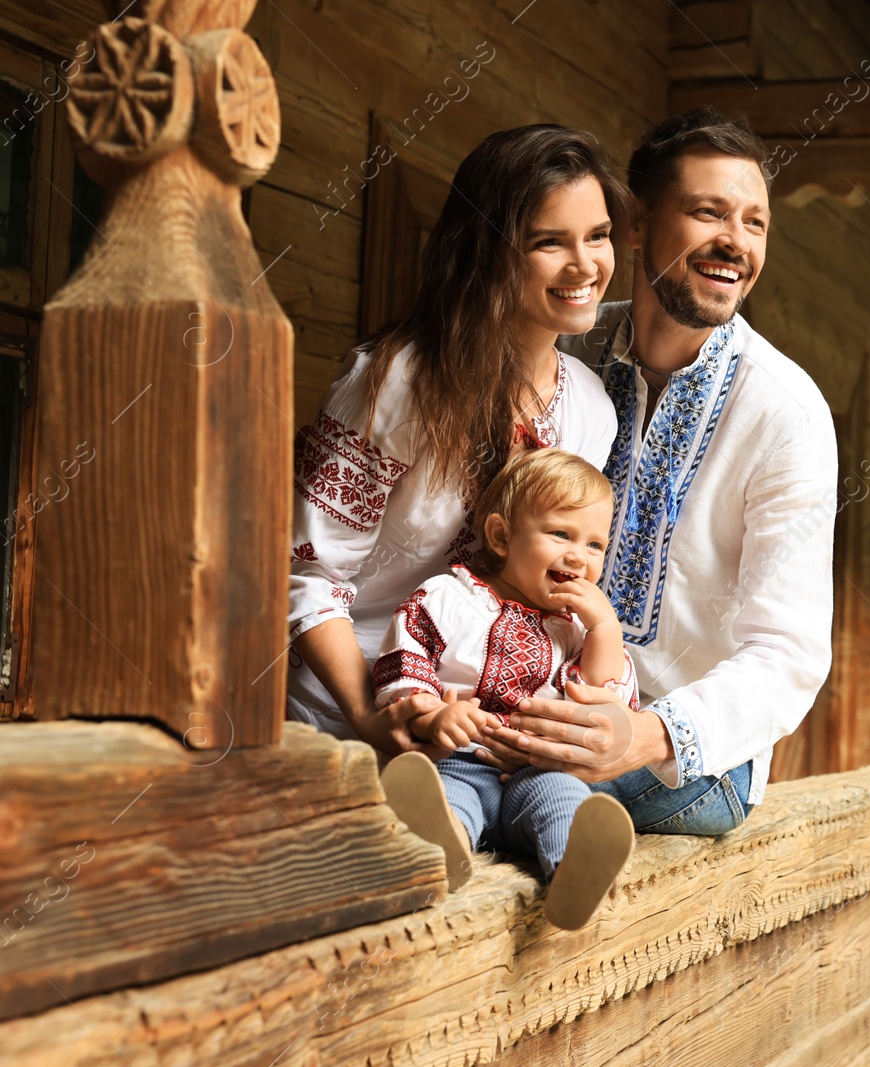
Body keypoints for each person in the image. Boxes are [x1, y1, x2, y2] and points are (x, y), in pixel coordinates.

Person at [474, 107, 838, 836]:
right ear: (635, 223)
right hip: (529, 698)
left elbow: (790, 652)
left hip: (690, 757)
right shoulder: (567, 353)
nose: (736, 241)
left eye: (755, 223)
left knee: (504, 789)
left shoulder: (785, 411)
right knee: (441, 748)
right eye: (709, 212)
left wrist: (640, 736)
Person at [287, 125, 628, 762]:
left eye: (599, 235)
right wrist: (371, 715)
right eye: (548, 242)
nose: (585, 266)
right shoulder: (394, 382)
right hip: (353, 716)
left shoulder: (592, 412)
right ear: (488, 252)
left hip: (496, 735)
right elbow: (309, 574)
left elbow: (553, 586)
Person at [376, 449, 635, 928]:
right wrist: (435, 715)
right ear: (501, 536)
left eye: (596, 545)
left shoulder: (576, 632)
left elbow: (603, 701)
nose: (579, 555)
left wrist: (606, 630)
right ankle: (437, 855)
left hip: (538, 773)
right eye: (561, 534)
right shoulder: (450, 598)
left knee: (564, 801)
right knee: (445, 799)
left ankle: (574, 875)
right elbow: (405, 666)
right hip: (458, 761)